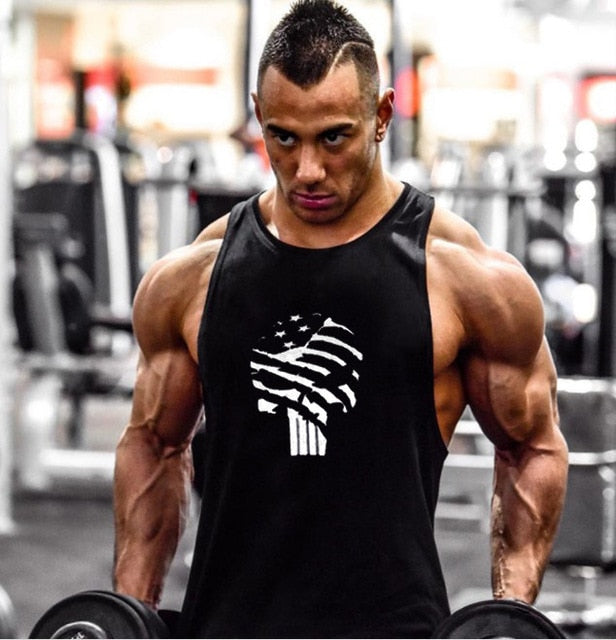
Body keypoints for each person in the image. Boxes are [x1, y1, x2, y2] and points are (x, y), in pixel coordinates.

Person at [113, 0, 569, 637]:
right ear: (258, 115)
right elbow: (153, 445)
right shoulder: (195, 276)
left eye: (333, 137)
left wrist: (507, 616)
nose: (307, 170)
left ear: (381, 116)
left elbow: (531, 447)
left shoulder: (462, 276)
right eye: (283, 137)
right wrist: (129, 615)